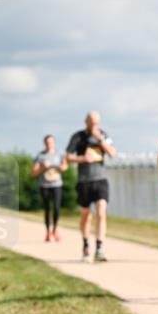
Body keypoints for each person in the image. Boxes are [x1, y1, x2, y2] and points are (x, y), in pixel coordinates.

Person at [66, 111, 115, 262]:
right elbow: (68, 157)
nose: (93, 125)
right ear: (86, 121)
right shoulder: (78, 136)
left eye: (96, 122)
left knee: (101, 212)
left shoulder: (104, 135)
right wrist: (82, 158)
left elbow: (112, 153)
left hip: (101, 179)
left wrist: (100, 140)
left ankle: (99, 248)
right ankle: (86, 244)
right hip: (84, 180)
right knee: (86, 215)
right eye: (91, 122)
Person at [33, 135, 68, 242]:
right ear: (44, 143)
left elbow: (65, 166)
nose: (49, 144)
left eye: (51, 142)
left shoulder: (59, 154)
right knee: (47, 209)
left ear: (54, 142)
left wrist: (62, 168)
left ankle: (55, 229)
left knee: (56, 208)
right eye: (47, 142)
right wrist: (43, 167)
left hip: (57, 184)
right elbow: (34, 173)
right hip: (44, 185)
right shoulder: (40, 156)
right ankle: (47, 232)